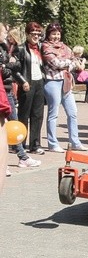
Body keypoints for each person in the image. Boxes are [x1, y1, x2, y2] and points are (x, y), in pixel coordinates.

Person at [41, 23, 87, 152]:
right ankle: (53, 143)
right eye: (53, 34)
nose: (56, 36)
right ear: (48, 34)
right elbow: (55, 63)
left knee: (73, 113)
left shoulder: (65, 47)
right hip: (52, 82)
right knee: (53, 114)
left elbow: (75, 61)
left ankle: (75, 141)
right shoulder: (45, 46)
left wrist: (68, 63)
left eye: (58, 34)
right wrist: (69, 63)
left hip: (66, 81)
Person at [1, 23, 41, 169]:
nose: (7, 35)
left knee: (13, 123)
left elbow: (15, 66)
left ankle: (22, 156)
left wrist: (7, 66)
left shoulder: (6, 48)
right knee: (12, 122)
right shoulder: (8, 49)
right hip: (3, 90)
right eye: (4, 32)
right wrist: (7, 66)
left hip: (6, 88)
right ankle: (20, 157)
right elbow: (7, 68)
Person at [12, 22, 47, 155]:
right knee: (24, 114)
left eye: (38, 34)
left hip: (39, 82)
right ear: (27, 34)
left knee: (38, 115)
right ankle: (20, 143)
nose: (36, 37)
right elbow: (15, 69)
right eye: (33, 34)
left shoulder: (39, 48)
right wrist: (23, 81)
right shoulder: (20, 48)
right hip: (27, 83)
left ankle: (35, 144)